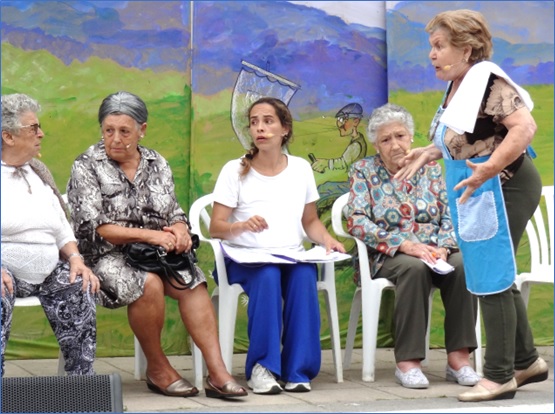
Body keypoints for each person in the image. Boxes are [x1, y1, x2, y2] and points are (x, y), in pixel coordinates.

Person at [395, 9, 548, 402]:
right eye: (432, 45)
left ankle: (498, 376)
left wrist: (488, 170)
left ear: (467, 49)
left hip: (506, 186)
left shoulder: (487, 80)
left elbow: (523, 128)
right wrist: (431, 151)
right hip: (485, 188)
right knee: (492, 269)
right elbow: (470, 137)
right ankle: (526, 360)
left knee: (490, 272)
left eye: (440, 46)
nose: (432, 54)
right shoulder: (462, 84)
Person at [67, 91, 247, 399]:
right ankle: (158, 368)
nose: (116, 139)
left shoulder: (156, 162)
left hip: (153, 252)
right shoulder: (86, 165)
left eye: (125, 131)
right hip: (104, 256)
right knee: (147, 284)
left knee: (192, 282)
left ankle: (217, 373)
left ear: (142, 130)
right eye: (109, 130)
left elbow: (173, 212)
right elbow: (97, 228)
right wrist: (152, 236)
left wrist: (178, 230)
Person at [209, 97, 346, 394]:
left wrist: (328, 239)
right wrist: (240, 226)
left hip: (290, 256)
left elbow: (310, 221)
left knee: (304, 276)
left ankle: (298, 371)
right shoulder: (234, 170)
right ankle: (263, 368)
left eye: (268, 121)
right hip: (243, 260)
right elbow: (215, 226)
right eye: (255, 122)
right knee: (269, 275)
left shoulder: (299, 169)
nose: (260, 128)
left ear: (285, 128)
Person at [346, 103, 480, 389]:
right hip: (388, 255)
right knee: (413, 268)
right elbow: (356, 220)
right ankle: (408, 363)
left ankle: (459, 359)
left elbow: (450, 213)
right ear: (376, 144)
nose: (395, 144)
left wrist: (444, 246)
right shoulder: (363, 170)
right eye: (386, 139)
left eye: (400, 136)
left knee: (462, 266)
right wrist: (403, 244)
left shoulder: (430, 168)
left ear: (411, 137)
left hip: (434, 252)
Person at [1, 93, 99, 376]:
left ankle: (80, 387)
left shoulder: (38, 171)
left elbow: (60, 225)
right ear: (8, 136)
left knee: (79, 285)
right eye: (33, 128)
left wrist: (76, 258)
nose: (41, 134)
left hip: (46, 271)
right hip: (5, 273)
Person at [310, 102, 367, 173]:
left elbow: (342, 163)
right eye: (339, 120)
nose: (340, 125)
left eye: (344, 120)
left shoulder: (356, 145)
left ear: (355, 121)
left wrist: (325, 163)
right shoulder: (358, 138)